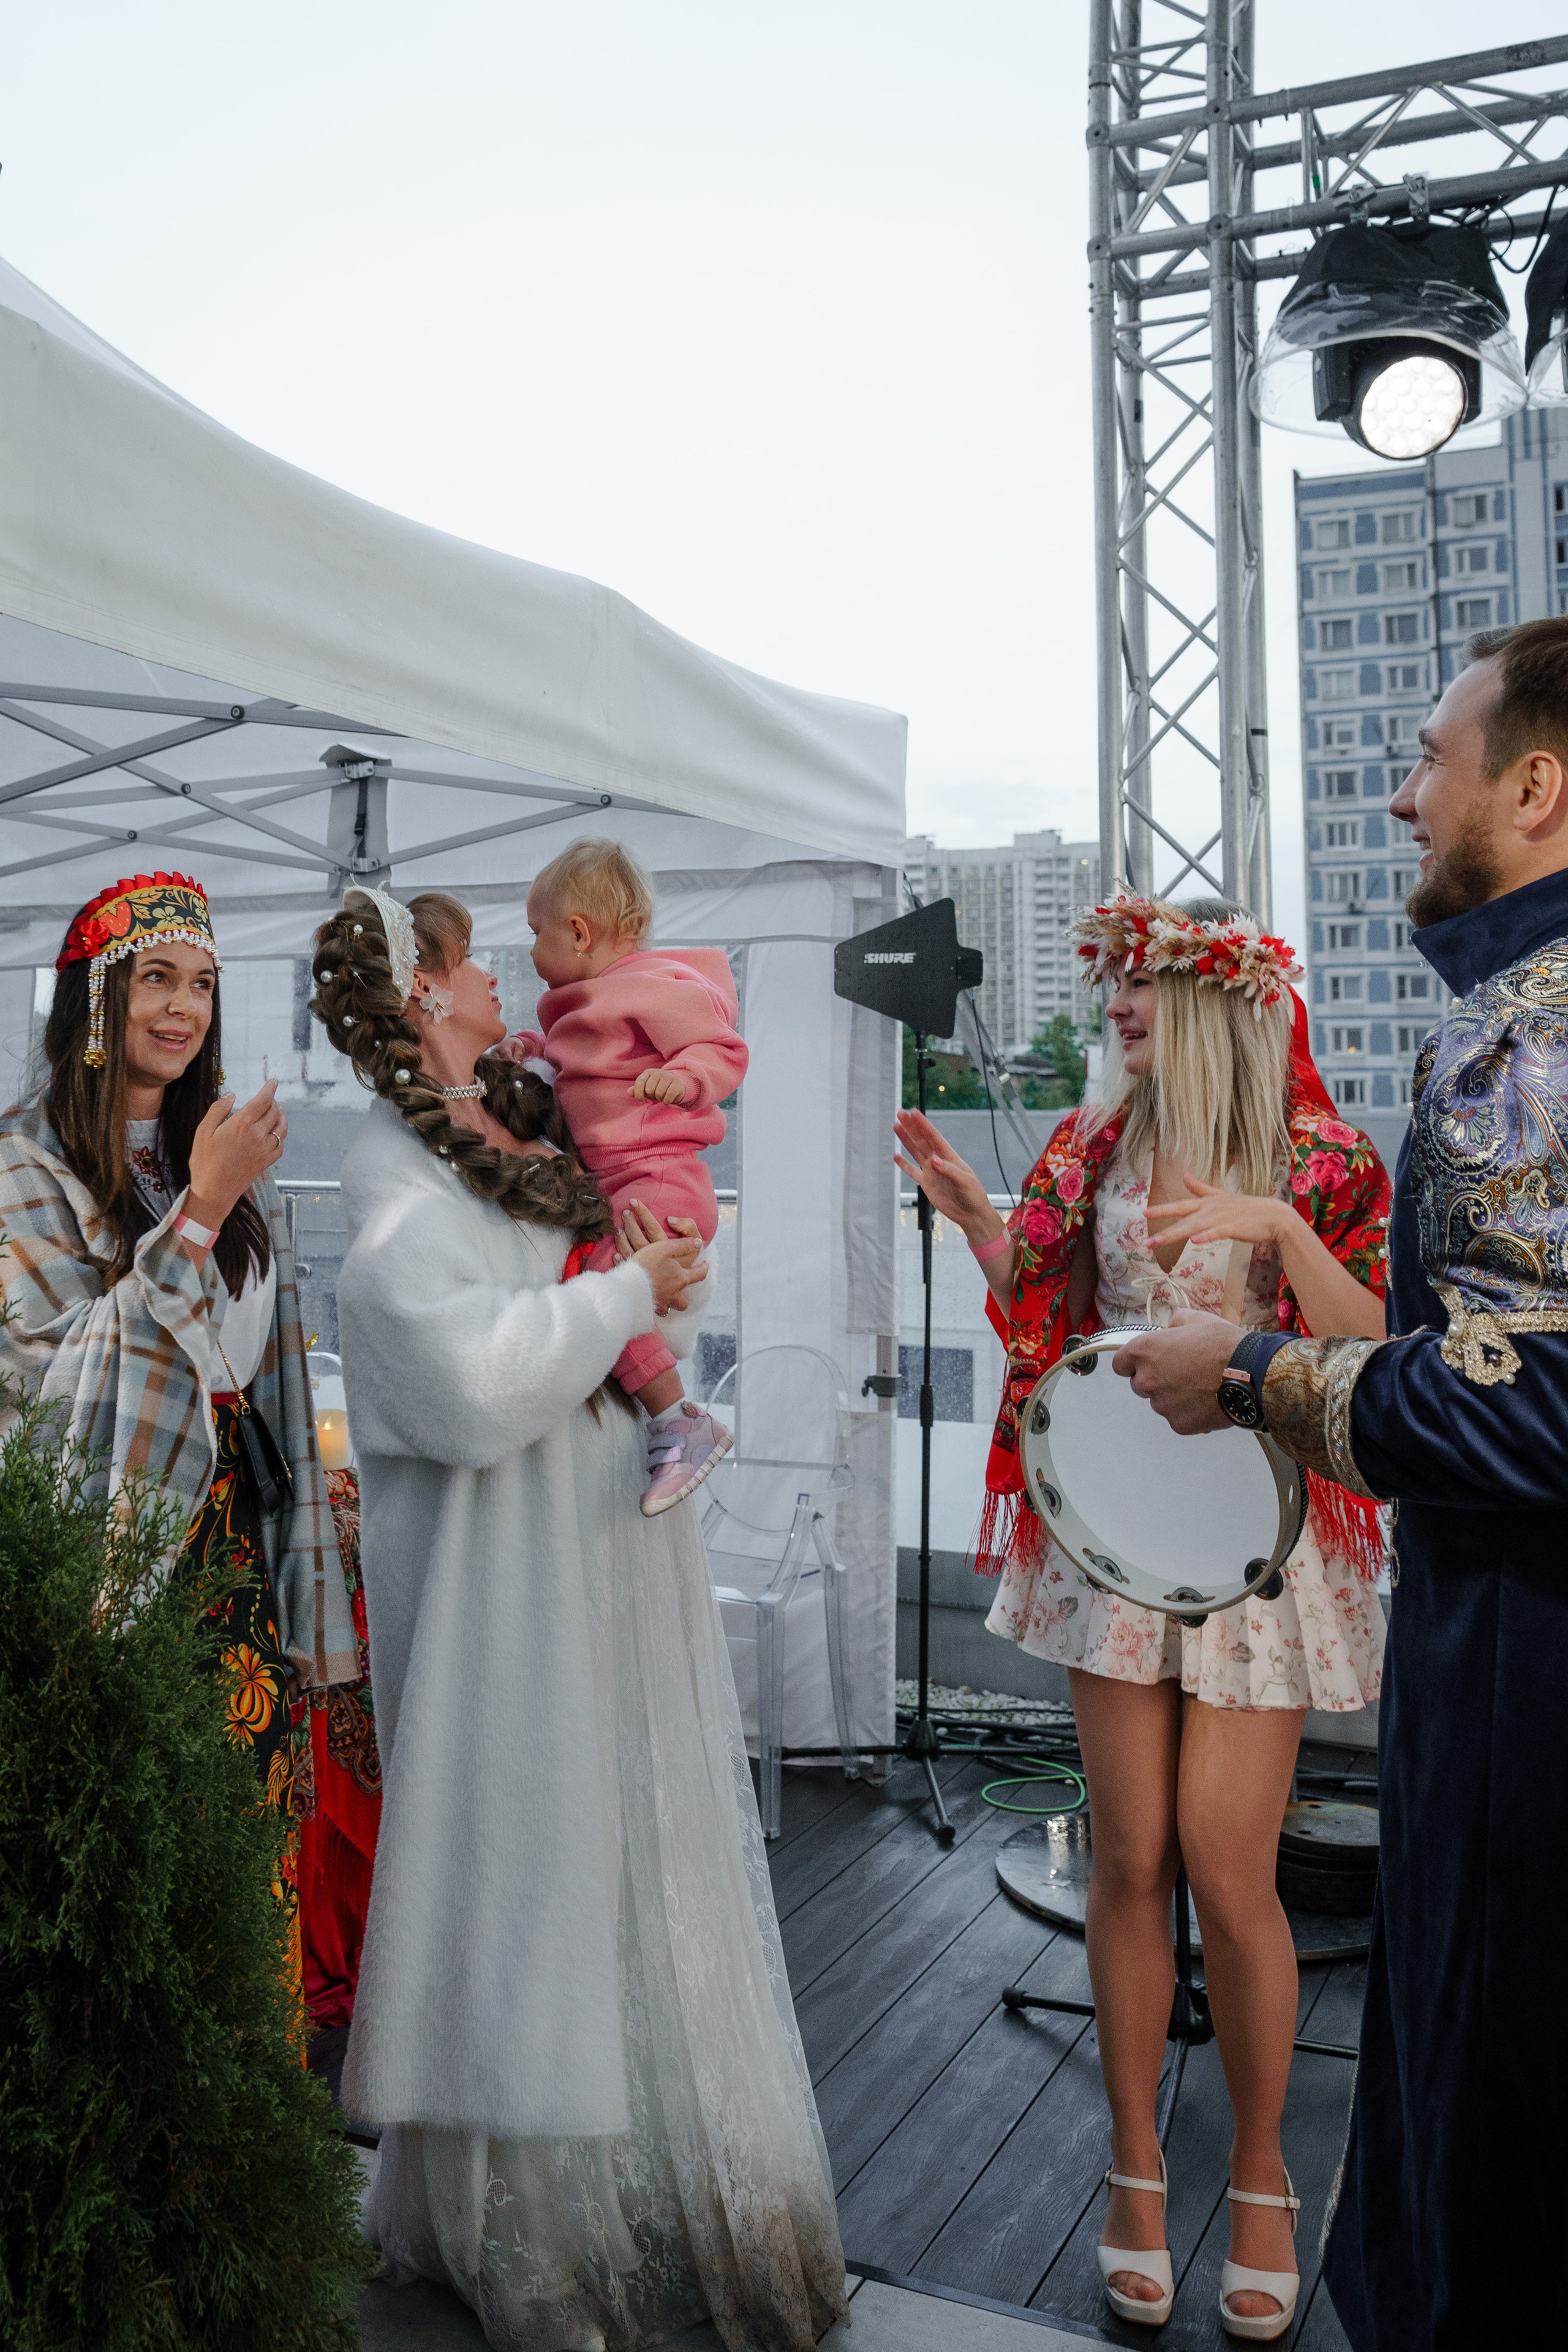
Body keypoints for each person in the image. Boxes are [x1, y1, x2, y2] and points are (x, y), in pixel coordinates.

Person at [1110, 617, 1568, 2352]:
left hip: (1527, 1663)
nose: (1398, 797)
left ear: (1532, 787)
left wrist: (1248, 1379)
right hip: (1489, 1629)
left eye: (1432, 759)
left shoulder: (1526, 1048)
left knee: (1491, 2106)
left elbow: (1537, 1401)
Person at [314, 886, 846, 2352]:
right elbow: (462, 1383)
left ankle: (600, 2186)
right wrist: (625, 1289)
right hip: (504, 1597)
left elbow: (627, 1271)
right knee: (521, 1866)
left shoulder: (519, 1126)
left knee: (598, 1858)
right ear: (423, 998)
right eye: (466, 956)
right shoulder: (390, 1175)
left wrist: (652, 1290)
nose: (495, 971)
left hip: (594, 1556)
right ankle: (519, 2229)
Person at [894, 895, 1390, 2343]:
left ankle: (1254, 2173)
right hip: (1110, 1539)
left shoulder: (1318, 1157)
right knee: (1126, 1856)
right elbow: (1038, 1320)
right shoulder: (1086, 1148)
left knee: (1231, 1873)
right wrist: (983, 1226)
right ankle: (1131, 2171)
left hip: (1258, 1550)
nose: (1115, 1006)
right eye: (1110, 983)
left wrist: (1275, 1227)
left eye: (1145, 986)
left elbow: (1373, 1346)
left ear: (1225, 1003)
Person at [0, 870, 359, 1993]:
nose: (182, 1007)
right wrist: (199, 1211)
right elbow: (53, 1379)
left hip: (233, 1558)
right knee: (123, 1883)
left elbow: (281, 1385)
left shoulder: (230, 1162)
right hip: (105, 1570)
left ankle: (241, 2155)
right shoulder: (23, 1167)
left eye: (201, 983)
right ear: (93, 1002)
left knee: (242, 1865)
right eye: (154, 977)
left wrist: (310, 1610)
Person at [508, 836, 744, 1513]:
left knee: (603, 1286)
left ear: (578, 933)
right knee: (590, 1275)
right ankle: (669, 1416)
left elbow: (722, 1048)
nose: (530, 949)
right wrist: (522, 1048)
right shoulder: (583, 1004)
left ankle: (679, 1419)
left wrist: (686, 1076)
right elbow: (561, 1059)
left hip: (661, 1177)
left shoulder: (654, 988)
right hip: (620, 1181)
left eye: (535, 932)